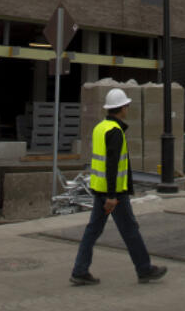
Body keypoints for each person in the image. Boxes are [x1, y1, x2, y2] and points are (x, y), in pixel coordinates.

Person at [70, 87, 167, 286]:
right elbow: (112, 165)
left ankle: (80, 270)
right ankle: (144, 269)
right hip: (113, 193)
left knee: (93, 231)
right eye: (126, 105)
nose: (128, 108)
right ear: (122, 107)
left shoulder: (100, 127)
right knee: (130, 230)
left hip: (99, 189)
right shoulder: (114, 132)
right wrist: (112, 195)